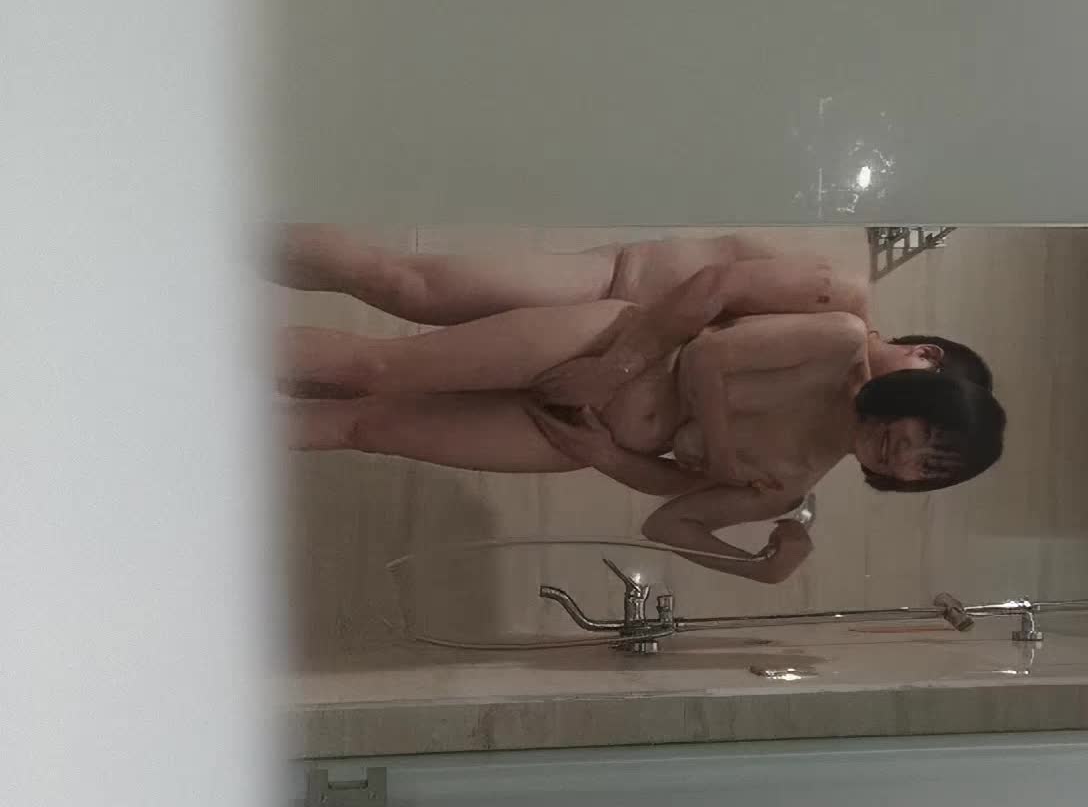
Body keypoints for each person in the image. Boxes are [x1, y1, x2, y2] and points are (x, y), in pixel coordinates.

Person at [276, 280, 1007, 585]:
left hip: (579, 435)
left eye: (928, 467)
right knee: (377, 368)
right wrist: (723, 456)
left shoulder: (789, 485)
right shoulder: (839, 341)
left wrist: (757, 567)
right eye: (927, 433)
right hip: (600, 351)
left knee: (368, 427)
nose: (908, 452)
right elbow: (711, 356)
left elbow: (671, 518)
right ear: (922, 396)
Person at [272, 223, 995, 395]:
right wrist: (618, 367)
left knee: (387, 378)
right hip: (606, 289)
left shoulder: (828, 386)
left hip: (597, 359)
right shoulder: (844, 299)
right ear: (925, 352)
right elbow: (712, 289)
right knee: (406, 288)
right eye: (924, 390)